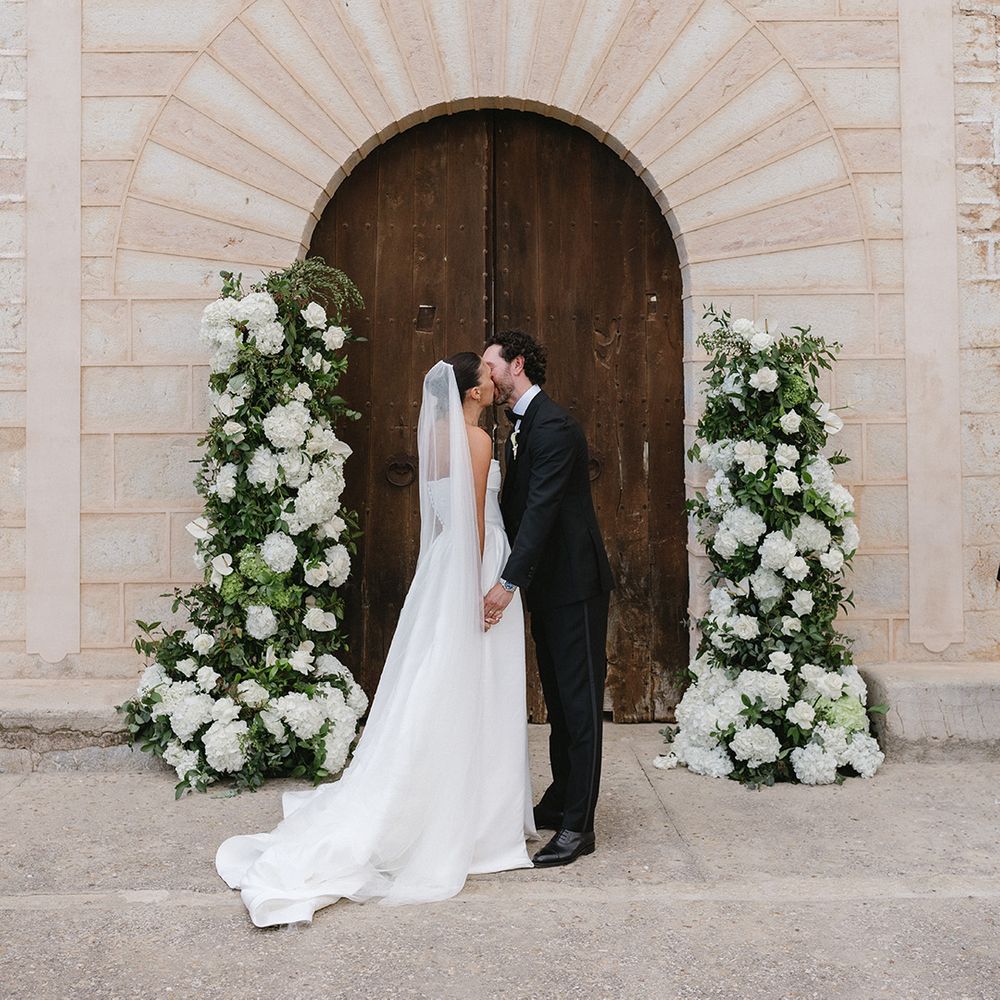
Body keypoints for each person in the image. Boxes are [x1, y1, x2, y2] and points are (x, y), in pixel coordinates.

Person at [215, 355, 537, 927]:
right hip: (476, 559)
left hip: (442, 565)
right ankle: (481, 826)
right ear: (471, 391)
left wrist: (446, 580)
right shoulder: (477, 440)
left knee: (435, 681)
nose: (493, 384)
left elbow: (440, 526)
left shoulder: (437, 437)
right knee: (478, 682)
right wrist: (480, 586)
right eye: (485, 379)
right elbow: (469, 519)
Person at [482, 331, 614, 868]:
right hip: (550, 586)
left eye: (491, 363)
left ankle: (579, 827)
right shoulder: (520, 426)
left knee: (580, 704)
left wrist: (507, 581)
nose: (486, 374)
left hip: (575, 586)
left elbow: (539, 511)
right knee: (559, 700)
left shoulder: (554, 426)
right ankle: (562, 798)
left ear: (516, 365)